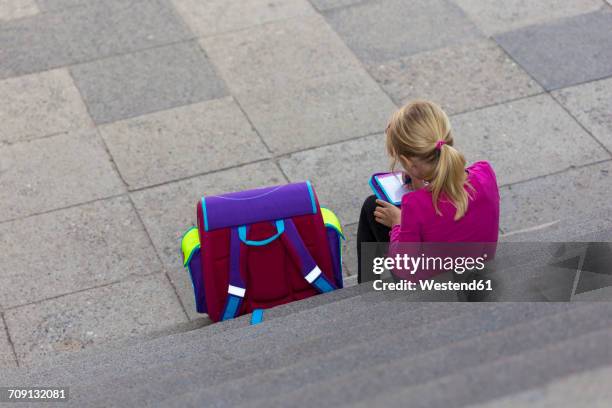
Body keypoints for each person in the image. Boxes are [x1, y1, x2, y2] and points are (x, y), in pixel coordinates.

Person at [357, 100, 500, 283]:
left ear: (408, 163)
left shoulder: (414, 206)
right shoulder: (485, 173)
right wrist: (422, 185)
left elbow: (404, 271)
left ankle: (365, 291)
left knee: (372, 206)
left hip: (434, 290)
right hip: (479, 271)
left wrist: (398, 223)